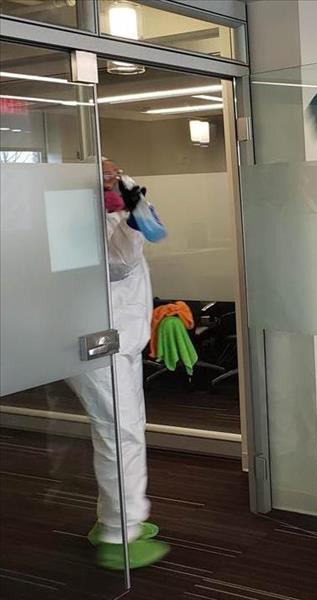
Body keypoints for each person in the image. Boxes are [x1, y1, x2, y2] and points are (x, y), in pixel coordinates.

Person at [66, 158, 169, 570]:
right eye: (103, 171)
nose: (112, 173)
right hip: (96, 344)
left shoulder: (109, 211)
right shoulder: (73, 217)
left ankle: (116, 518)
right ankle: (117, 532)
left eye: (113, 169)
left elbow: (145, 246)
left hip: (120, 341)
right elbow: (118, 265)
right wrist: (128, 216)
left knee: (128, 428)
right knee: (119, 432)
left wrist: (132, 208)